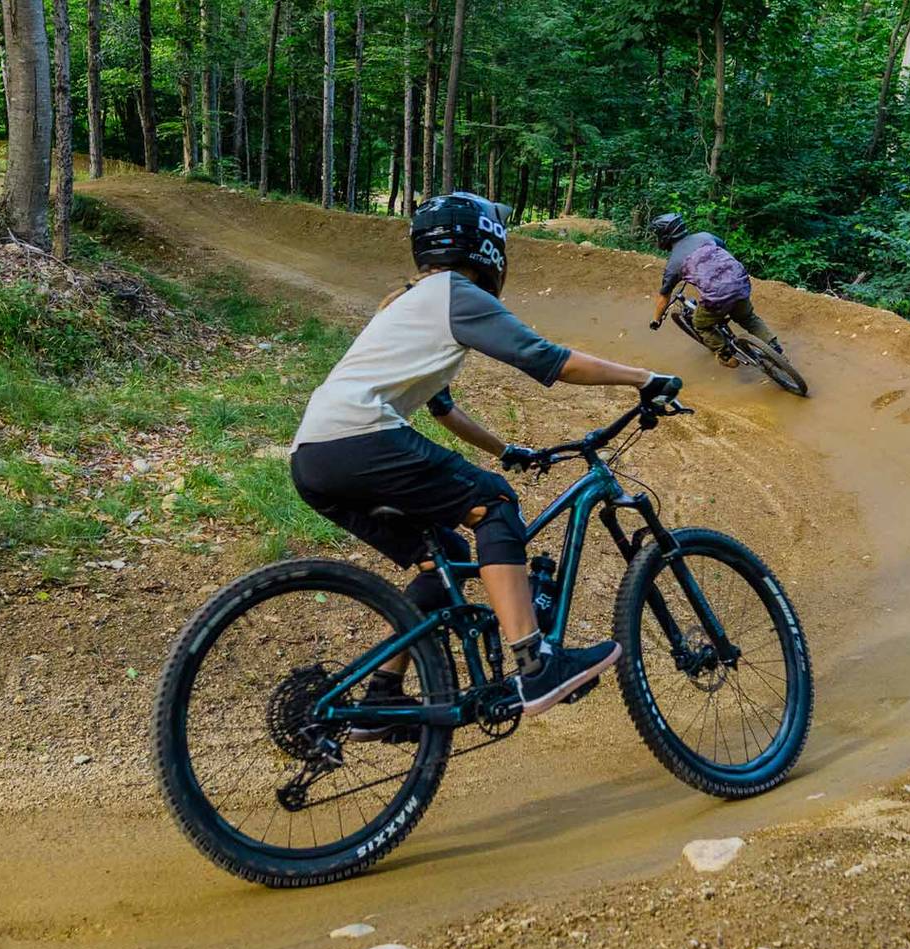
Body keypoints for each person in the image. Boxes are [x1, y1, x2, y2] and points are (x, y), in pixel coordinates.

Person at [288, 191, 681, 733]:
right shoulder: (456, 294)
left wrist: (508, 450)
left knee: (441, 553)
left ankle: (381, 694)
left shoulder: (413, 301)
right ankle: (533, 663)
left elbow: (442, 408)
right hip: (359, 438)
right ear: (487, 245)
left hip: (315, 459)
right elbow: (550, 361)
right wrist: (645, 378)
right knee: (494, 502)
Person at [647, 213, 782, 367]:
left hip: (718, 298)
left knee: (700, 324)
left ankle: (725, 355)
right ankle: (774, 346)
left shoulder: (674, 264)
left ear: (664, 236)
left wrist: (656, 320)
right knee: (747, 318)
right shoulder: (705, 236)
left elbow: (664, 297)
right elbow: (723, 249)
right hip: (740, 282)